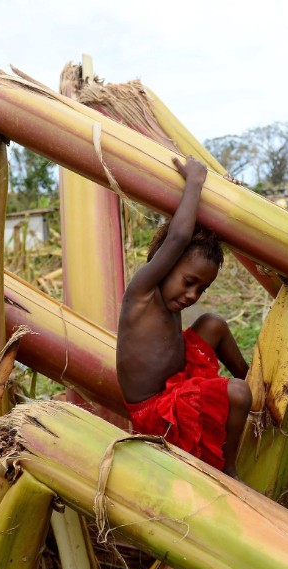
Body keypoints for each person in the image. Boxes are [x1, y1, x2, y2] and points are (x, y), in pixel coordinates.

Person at [116, 156, 252, 477]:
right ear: (165, 264)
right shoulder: (143, 290)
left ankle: (251, 384)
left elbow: (189, 233)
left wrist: (223, 196)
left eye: (201, 289)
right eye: (189, 282)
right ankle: (227, 467)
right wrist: (195, 180)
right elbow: (178, 237)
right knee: (237, 393)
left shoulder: (168, 295)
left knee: (213, 324)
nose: (192, 296)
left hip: (177, 380)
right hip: (158, 412)